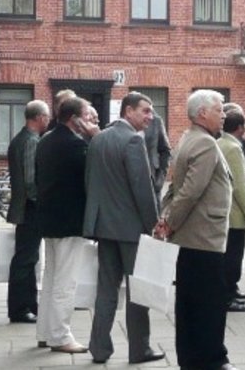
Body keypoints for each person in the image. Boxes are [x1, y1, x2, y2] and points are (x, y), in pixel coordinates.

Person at [155, 90, 237, 370]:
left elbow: (177, 187)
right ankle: (212, 360)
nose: (223, 114)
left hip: (190, 235)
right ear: (202, 113)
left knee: (189, 302)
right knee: (209, 302)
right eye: (219, 109)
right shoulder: (205, 143)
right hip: (203, 237)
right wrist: (170, 221)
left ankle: (191, 358)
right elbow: (190, 192)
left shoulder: (188, 137)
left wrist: (166, 215)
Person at [82, 92, 164, 364]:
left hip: (104, 228)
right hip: (130, 230)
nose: (150, 117)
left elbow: (90, 183)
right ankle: (139, 349)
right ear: (128, 111)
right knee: (138, 290)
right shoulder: (132, 140)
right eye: (145, 111)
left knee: (106, 290)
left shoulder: (99, 139)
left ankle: (99, 349)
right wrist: (154, 223)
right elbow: (143, 189)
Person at [35, 96, 97, 354]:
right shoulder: (75, 145)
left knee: (50, 279)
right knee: (65, 282)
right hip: (69, 220)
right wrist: (96, 136)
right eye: (88, 116)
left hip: (49, 219)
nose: (93, 121)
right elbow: (95, 169)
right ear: (75, 119)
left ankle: (45, 331)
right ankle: (60, 336)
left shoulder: (46, 140)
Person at [6, 99, 50, 325]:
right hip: (29, 209)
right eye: (47, 117)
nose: (48, 120)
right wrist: (41, 202)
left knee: (27, 258)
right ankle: (20, 309)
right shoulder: (31, 141)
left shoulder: (19, 139)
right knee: (25, 259)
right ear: (39, 118)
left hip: (23, 207)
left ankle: (29, 305)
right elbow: (32, 180)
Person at [218, 107, 245, 313]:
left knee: (229, 255)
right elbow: (239, 185)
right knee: (233, 257)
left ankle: (230, 291)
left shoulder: (221, 143)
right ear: (240, 128)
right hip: (235, 213)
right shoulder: (233, 148)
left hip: (227, 212)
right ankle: (227, 298)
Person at [143, 109, 171, 203]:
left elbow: (165, 151)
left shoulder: (156, 121)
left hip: (152, 179)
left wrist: (160, 179)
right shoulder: (123, 124)